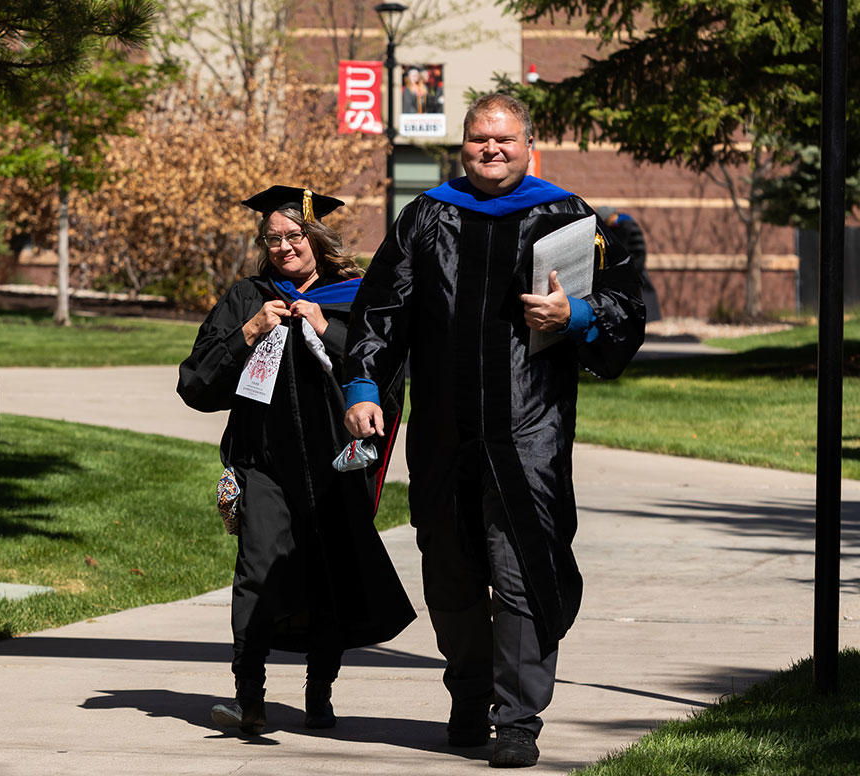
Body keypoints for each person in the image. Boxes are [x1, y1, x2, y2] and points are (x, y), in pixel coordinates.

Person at [342, 94, 645, 768]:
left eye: (504, 140)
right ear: (464, 146)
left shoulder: (566, 215)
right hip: (444, 433)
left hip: (528, 430)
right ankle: (469, 690)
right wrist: (363, 386)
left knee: (520, 573)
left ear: (528, 145)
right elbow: (380, 308)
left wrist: (576, 316)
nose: (492, 150)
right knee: (448, 574)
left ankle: (517, 720)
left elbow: (627, 304)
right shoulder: (426, 216)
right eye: (480, 140)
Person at [178, 185, 415, 735]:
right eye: (274, 238)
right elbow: (196, 383)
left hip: (335, 464)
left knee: (327, 576)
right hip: (262, 463)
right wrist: (251, 331)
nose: (284, 247)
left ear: (317, 239)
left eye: (295, 236)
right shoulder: (248, 297)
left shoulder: (353, 296)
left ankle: (319, 692)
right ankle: (250, 699)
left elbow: (385, 373)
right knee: (257, 572)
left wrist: (324, 328)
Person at [596, 206, 662, 322]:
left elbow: (636, 249)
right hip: (627, 267)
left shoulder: (626, 225)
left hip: (634, 266)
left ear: (611, 216)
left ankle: (647, 318)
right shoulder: (617, 226)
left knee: (641, 294)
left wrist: (635, 267)